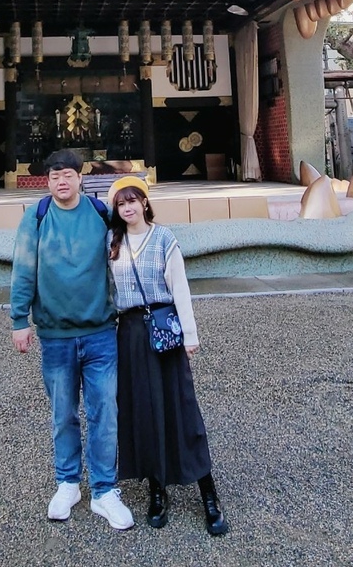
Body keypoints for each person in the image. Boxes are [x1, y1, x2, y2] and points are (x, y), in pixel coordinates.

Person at [10, 150, 134, 530]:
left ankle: (103, 490)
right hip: (56, 335)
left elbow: (130, 246)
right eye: (53, 176)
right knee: (63, 414)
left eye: (67, 175)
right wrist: (20, 319)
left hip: (100, 332)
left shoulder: (100, 213)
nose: (61, 182)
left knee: (104, 413)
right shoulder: (37, 216)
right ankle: (67, 483)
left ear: (80, 178)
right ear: (47, 182)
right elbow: (23, 266)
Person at [106, 175, 228, 535]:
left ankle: (208, 491)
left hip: (163, 330)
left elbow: (180, 289)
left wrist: (190, 335)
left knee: (180, 407)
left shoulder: (164, 239)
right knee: (143, 409)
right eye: (121, 203)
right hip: (128, 334)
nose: (128, 208)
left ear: (145, 202)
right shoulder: (112, 242)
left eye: (133, 200)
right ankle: (156, 488)